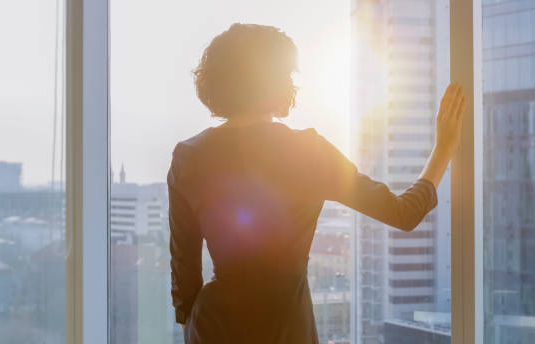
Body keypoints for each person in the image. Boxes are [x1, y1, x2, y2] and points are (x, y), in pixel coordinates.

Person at [168, 23, 465, 344]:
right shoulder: (308, 151)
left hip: (212, 327)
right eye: (286, 74)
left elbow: (184, 274)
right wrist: (443, 150)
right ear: (272, 81)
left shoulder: (189, 157)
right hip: (285, 327)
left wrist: (193, 326)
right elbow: (404, 213)